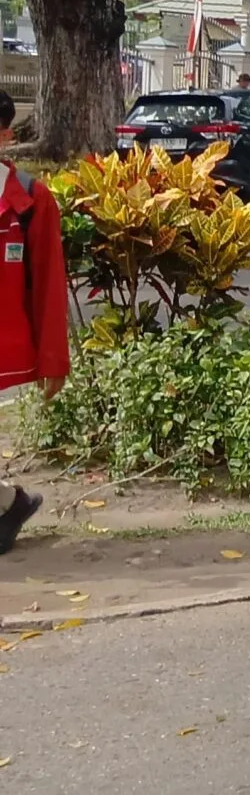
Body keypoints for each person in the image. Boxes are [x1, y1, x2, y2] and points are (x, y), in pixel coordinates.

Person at [0, 89, 67, 555]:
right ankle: (11, 503)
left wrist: (53, 360)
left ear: (5, 135)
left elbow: (48, 284)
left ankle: (11, 504)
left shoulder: (31, 199)